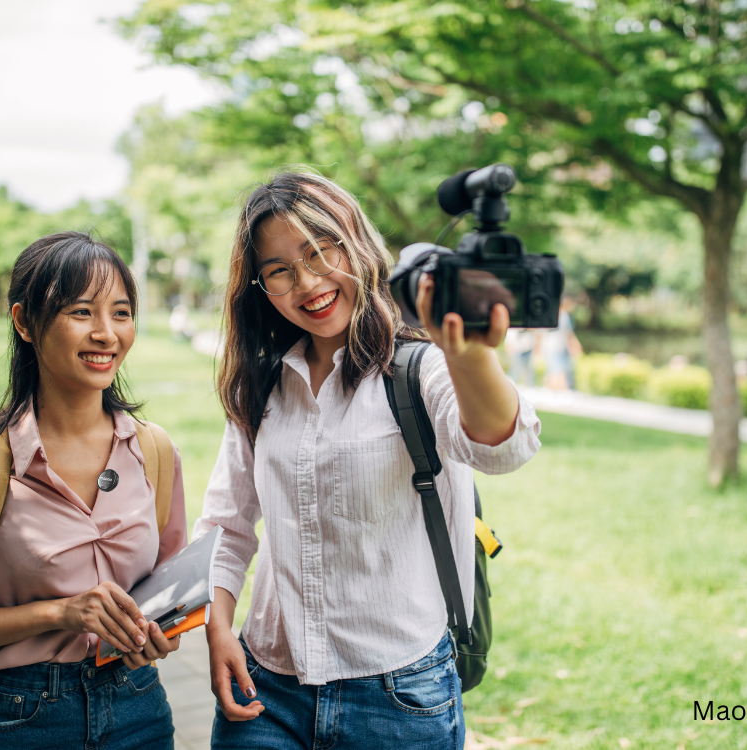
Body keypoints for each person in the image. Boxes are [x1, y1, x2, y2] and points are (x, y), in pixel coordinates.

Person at [195, 172, 542, 750]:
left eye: (319, 251)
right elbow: (226, 527)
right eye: (279, 269)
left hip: (400, 697)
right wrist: (218, 625)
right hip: (267, 690)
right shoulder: (263, 385)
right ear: (260, 286)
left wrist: (471, 358)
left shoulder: (420, 368)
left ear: (354, 244)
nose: (307, 282)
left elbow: (504, 447)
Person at [0, 232, 188, 750]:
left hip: (139, 707)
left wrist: (159, 636)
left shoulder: (155, 452)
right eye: (81, 312)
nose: (106, 334)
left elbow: (171, 596)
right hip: (16, 716)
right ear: (24, 322)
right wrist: (60, 612)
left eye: (121, 313)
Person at [538, 296, 581, 390]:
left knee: (553, 369)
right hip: (555, 347)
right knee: (558, 370)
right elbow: (568, 334)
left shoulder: (558, 315)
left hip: (553, 346)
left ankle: (550, 389)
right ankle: (560, 390)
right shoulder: (562, 316)